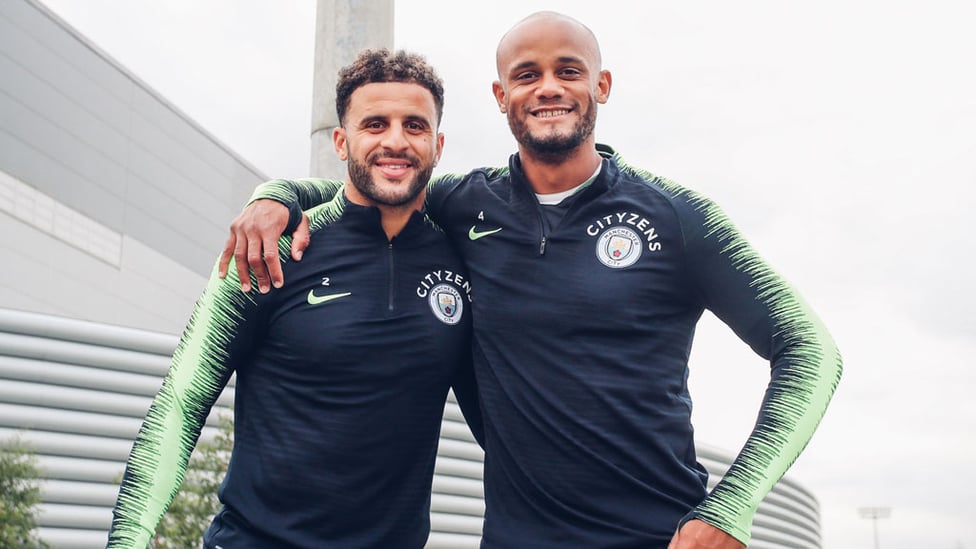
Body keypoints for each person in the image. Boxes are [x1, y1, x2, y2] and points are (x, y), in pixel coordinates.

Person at [221, 11, 843, 549]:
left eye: (568, 70)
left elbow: (811, 352)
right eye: (527, 75)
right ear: (500, 96)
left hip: (660, 533)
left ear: (600, 84)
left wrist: (732, 505)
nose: (549, 87)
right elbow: (373, 184)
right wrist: (279, 195)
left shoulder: (678, 215)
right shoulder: (465, 206)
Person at [107, 48, 483, 549]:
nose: (396, 141)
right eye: (375, 124)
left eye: (414, 126)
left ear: (437, 144)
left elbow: (504, 424)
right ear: (341, 141)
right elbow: (180, 404)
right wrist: (127, 540)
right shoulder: (269, 252)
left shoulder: (460, 264)